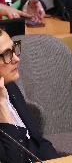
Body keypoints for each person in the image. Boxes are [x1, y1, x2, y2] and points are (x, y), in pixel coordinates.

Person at [0, 29, 58, 162]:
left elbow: (38, 142)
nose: (16, 59)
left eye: (14, 49)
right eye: (7, 54)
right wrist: (2, 107)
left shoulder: (10, 87)